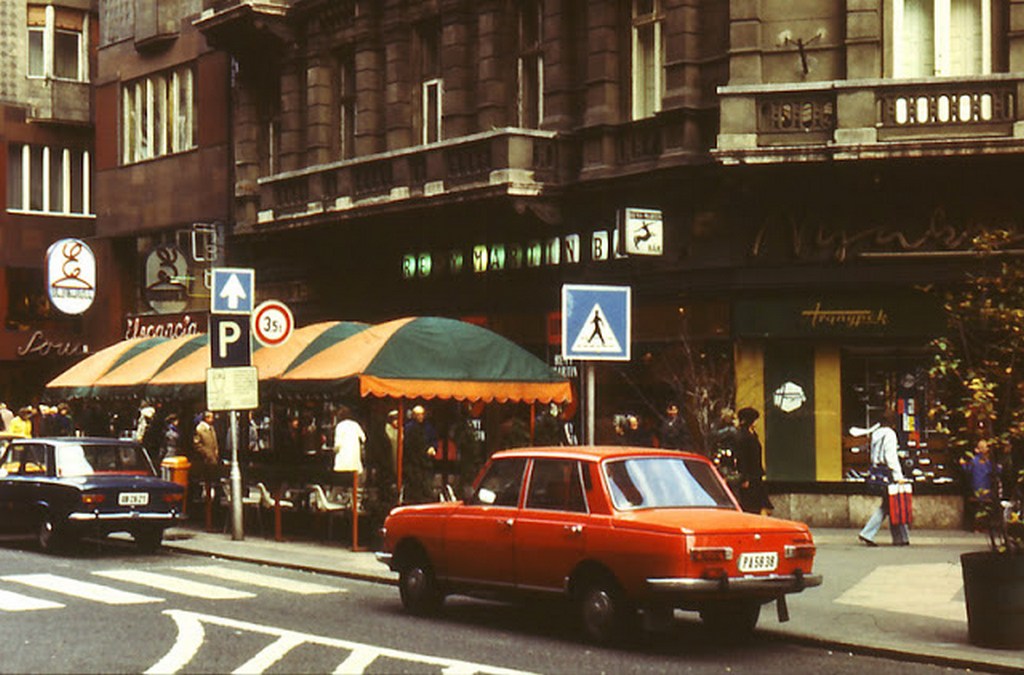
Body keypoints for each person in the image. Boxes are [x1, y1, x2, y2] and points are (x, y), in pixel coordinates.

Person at [858, 409, 910, 546]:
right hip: (889, 473)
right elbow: (890, 456)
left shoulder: (876, 433)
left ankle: (901, 538)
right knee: (892, 503)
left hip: (877, 471)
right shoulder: (890, 434)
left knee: (890, 504)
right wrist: (899, 475)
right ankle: (867, 533)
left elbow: (873, 455)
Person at [735, 407, 773, 515]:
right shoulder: (743, 436)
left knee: (758, 503)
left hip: (756, 474)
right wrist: (744, 478)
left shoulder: (752, 434)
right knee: (750, 503)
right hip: (749, 476)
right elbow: (742, 458)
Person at [959, 438, 1002, 531]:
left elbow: (967, 471)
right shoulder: (987, 462)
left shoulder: (975, 461)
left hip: (976, 489)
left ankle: (978, 525)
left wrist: (963, 464)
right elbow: (997, 470)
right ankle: (984, 524)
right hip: (986, 490)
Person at [402, 405, 439, 503]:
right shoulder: (409, 428)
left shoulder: (428, 427)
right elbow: (410, 446)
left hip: (426, 462)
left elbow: (434, 440)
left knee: (427, 485)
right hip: (413, 463)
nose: (420, 417)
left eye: (422, 414)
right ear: (413, 415)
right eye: (418, 415)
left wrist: (433, 447)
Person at [332, 405, 366, 479]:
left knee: (342, 479)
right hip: (354, 458)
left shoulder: (339, 426)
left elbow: (337, 444)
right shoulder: (355, 425)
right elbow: (363, 438)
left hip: (343, 459)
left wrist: (334, 450)